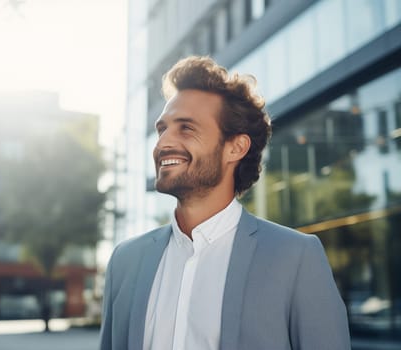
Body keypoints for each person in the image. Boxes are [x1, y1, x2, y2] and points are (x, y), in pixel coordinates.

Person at [100, 56, 350, 350]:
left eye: (186, 128)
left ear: (236, 147)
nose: (163, 143)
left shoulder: (296, 258)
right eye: (162, 129)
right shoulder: (125, 262)